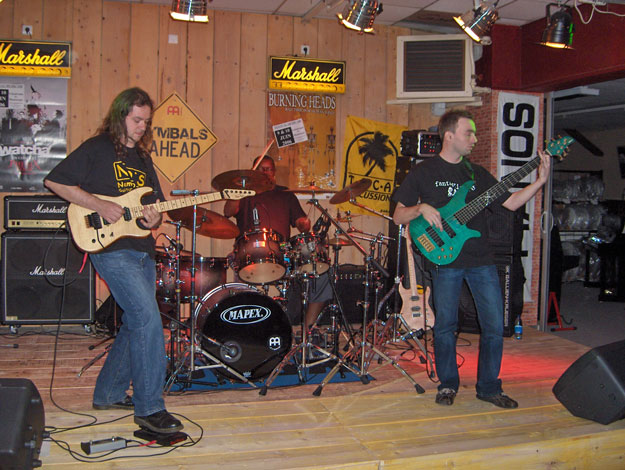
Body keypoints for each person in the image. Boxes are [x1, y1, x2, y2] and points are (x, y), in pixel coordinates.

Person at [44, 87, 182, 434]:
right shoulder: (97, 148)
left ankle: (108, 393)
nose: (142, 127)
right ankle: (150, 408)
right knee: (148, 319)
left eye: (146, 121)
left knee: (136, 322)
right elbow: (55, 181)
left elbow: (153, 209)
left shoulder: (144, 159)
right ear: (120, 116)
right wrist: (99, 205)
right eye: (137, 120)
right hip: (109, 248)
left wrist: (154, 219)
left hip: (142, 250)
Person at [392, 109, 550, 409]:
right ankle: (448, 384)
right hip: (445, 259)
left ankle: (489, 387)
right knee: (445, 326)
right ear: (449, 135)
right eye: (469, 133)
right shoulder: (424, 172)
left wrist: (539, 181)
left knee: (494, 325)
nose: (475, 139)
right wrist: (421, 208)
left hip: (481, 260)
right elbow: (399, 215)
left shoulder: (477, 174)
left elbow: (511, 202)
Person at [223, 155, 333, 333]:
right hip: (248, 255)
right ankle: (247, 330)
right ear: (253, 172)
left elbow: (300, 222)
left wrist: (303, 224)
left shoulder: (285, 195)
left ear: (274, 173)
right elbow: (228, 211)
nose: (265, 173)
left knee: (321, 275)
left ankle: (308, 330)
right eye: (261, 169)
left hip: (282, 255)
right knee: (240, 281)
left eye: (269, 169)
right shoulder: (244, 195)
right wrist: (241, 188)